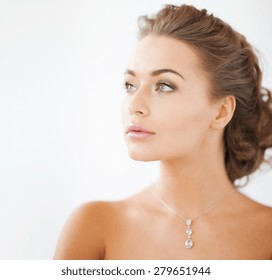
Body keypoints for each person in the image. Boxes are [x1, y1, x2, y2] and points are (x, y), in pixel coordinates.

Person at [54, 4, 272, 260]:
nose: (135, 105)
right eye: (130, 85)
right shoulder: (94, 228)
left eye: (165, 86)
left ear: (222, 111)